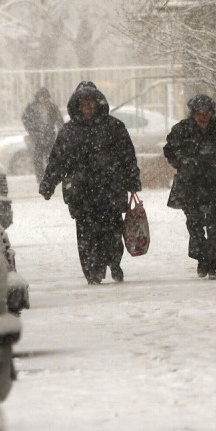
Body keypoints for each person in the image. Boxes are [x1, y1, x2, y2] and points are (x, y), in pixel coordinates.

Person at [39, 81, 142, 285]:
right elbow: (58, 160)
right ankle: (92, 271)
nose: (87, 107)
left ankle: (113, 262)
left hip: (110, 190)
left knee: (113, 230)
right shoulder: (69, 131)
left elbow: (127, 156)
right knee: (86, 235)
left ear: (98, 104)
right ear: (76, 105)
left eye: (90, 102)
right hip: (82, 193)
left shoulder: (114, 127)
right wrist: (48, 184)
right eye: (83, 103)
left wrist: (132, 180)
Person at [163, 94, 216, 280]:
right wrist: (183, 163)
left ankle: (214, 266)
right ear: (193, 113)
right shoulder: (182, 129)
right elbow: (169, 150)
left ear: (211, 113)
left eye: (206, 113)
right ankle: (202, 258)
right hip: (190, 184)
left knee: (215, 227)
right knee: (195, 225)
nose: (202, 117)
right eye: (199, 113)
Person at [21, 87, 64, 183]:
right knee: (38, 159)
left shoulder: (52, 107)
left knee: (50, 158)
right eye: (42, 97)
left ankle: (51, 177)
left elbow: (59, 120)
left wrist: (60, 131)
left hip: (50, 136)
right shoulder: (31, 108)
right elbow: (26, 120)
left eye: (45, 97)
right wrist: (32, 131)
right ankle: (40, 178)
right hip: (37, 137)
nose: (44, 99)